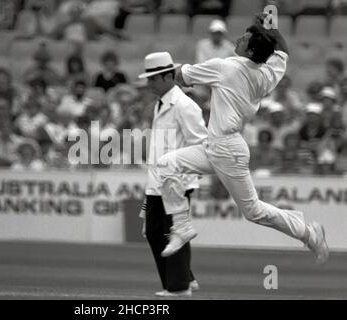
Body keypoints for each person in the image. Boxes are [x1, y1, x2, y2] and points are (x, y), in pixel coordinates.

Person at [156, 14, 329, 265]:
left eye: (244, 38)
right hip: (216, 145)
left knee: (254, 212)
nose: (238, 39)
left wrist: (155, 72)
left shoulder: (227, 66)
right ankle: (181, 227)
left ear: (250, 50)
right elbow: (283, 52)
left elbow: (181, 76)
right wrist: (271, 29)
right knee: (166, 165)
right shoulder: (267, 73)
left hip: (227, 149)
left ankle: (309, 233)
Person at [137, 52, 207, 297]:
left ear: (168, 77)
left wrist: (186, 177)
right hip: (158, 181)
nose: (149, 84)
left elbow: (200, 145)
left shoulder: (185, 106)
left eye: (153, 79)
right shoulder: (162, 103)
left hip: (176, 182)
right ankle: (185, 278)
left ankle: (178, 287)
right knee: (155, 232)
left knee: (172, 231)